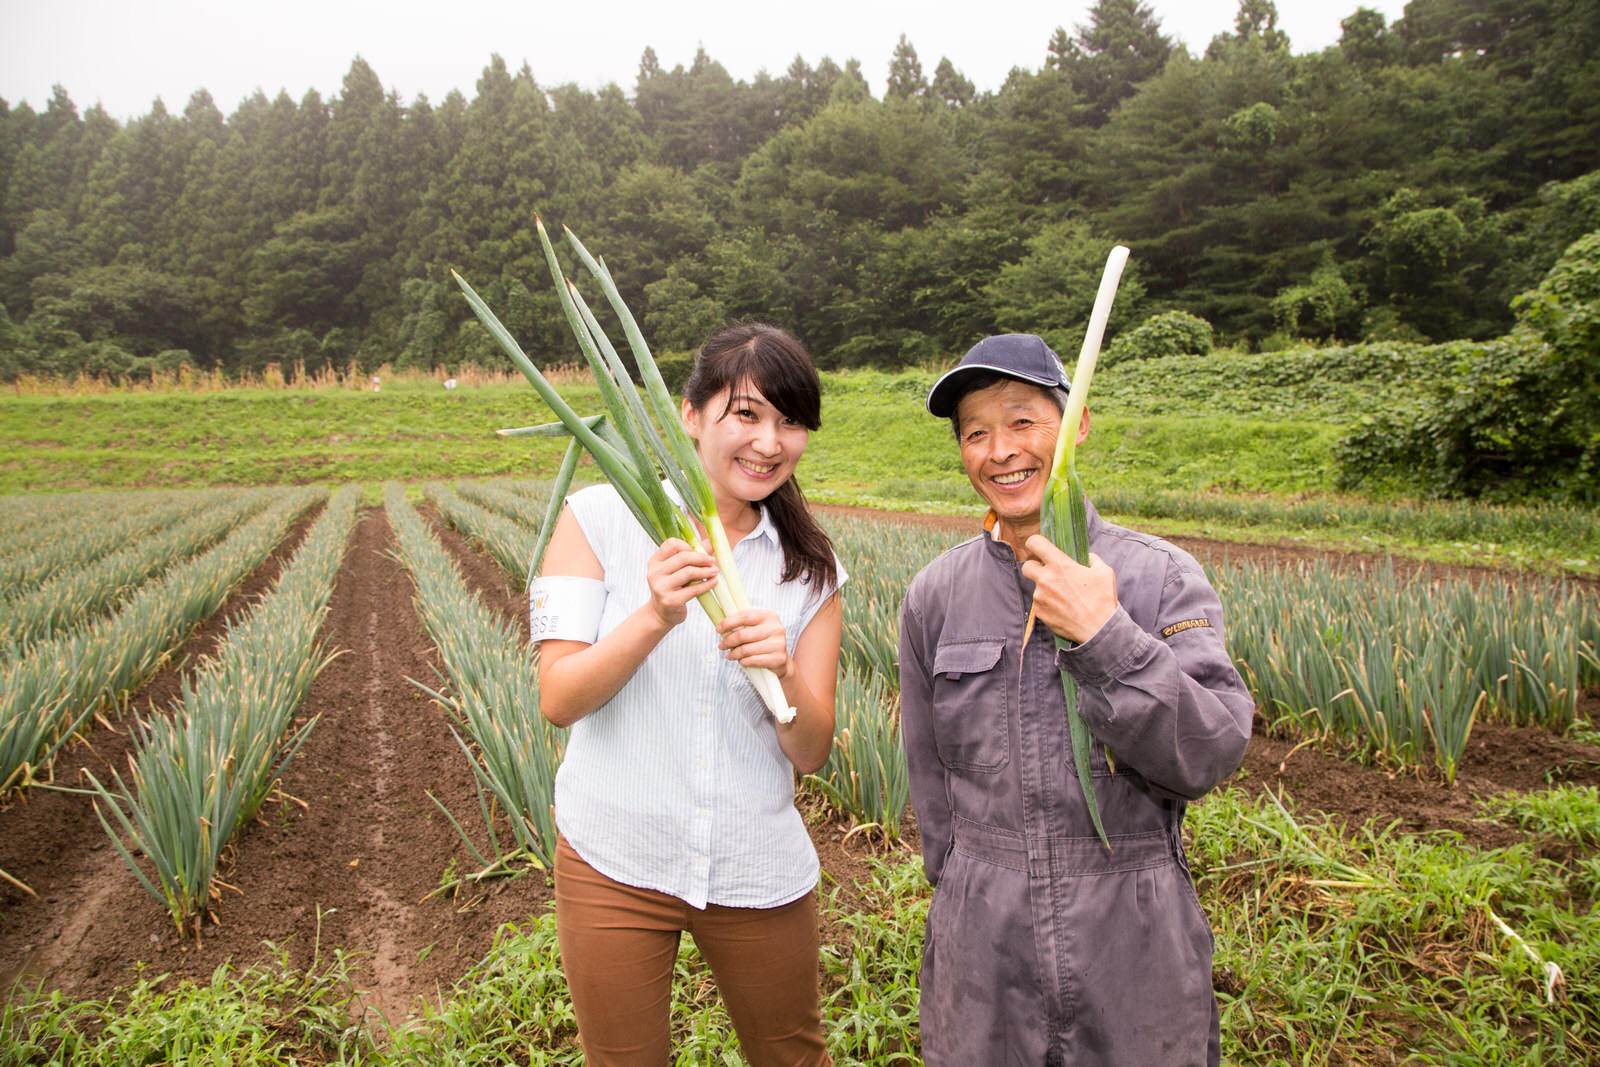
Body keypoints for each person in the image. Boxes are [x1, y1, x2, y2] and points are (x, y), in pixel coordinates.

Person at [898, 333, 1254, 1066]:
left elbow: (1212, 747)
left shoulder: (1159, 577)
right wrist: (964, 894)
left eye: (1023, 420)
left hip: (1133, 939)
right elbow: (929, 780)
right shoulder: (936, 595)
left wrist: (1105, 635)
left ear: (1077, 423)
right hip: (983, 949)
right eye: (975, 432)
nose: (1000, 450)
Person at [530, 322, 844, 1067]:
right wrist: (656, 615)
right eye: (748, 413)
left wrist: (786, 678)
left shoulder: (811, 569)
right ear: (691, 414)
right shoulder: (597, 519)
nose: (770, 441)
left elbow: (815, 750)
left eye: (791, 420)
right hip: (615, 855)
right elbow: (559, 696)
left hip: (752, 858)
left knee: (793, 1056)